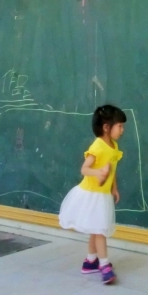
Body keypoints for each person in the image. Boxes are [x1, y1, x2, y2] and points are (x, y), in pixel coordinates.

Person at [58, 104, 125, 284]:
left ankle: (90, 261)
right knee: (100, 230)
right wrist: (99, 173)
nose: (122, 130)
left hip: (102, 195)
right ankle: (104, 266)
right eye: (119, 125)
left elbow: (112, 170)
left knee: (96, 231)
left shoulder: (114, 146)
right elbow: (85, 168)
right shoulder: (98, 146)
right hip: (91, 195)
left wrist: (114, 187)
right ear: (106, 127)